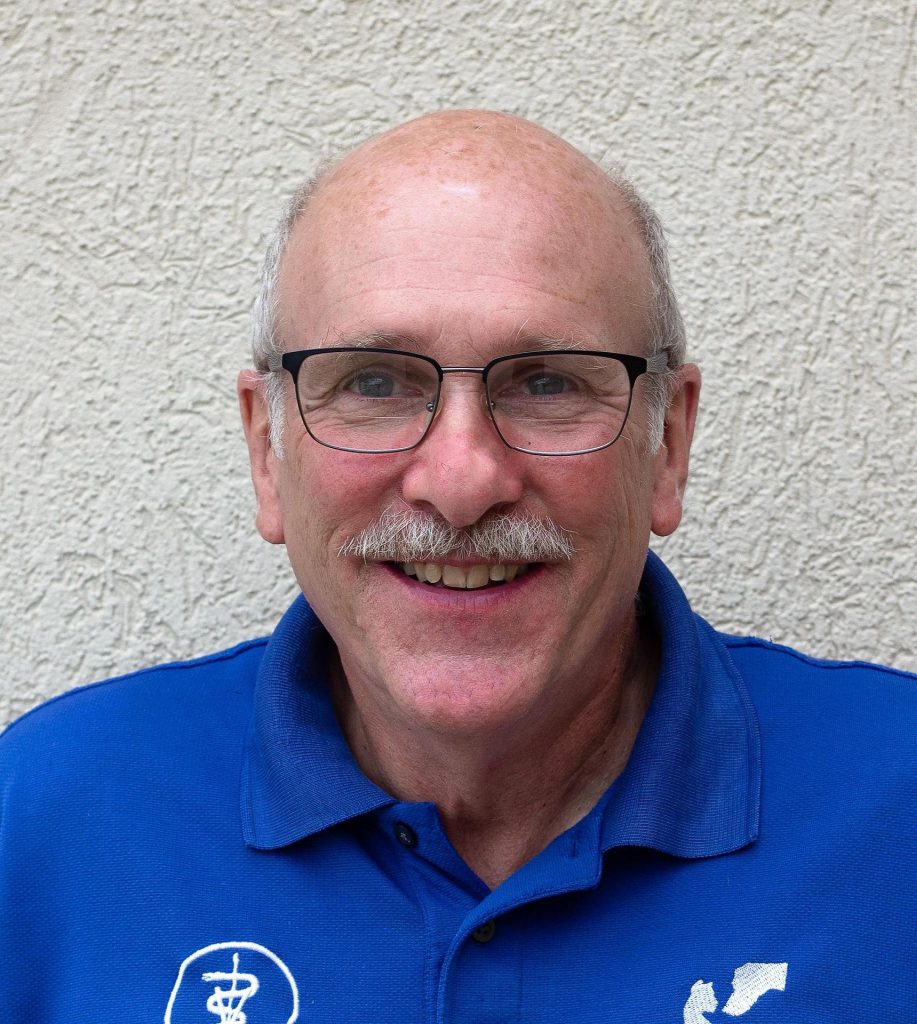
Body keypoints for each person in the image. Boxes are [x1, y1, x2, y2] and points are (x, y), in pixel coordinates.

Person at [1, 110, 913, 1023]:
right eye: (373, 382)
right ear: (264, 451)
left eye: (547, 381)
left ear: (666, 443)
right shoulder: (51, 820)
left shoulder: (892, 811)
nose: (462, 481)